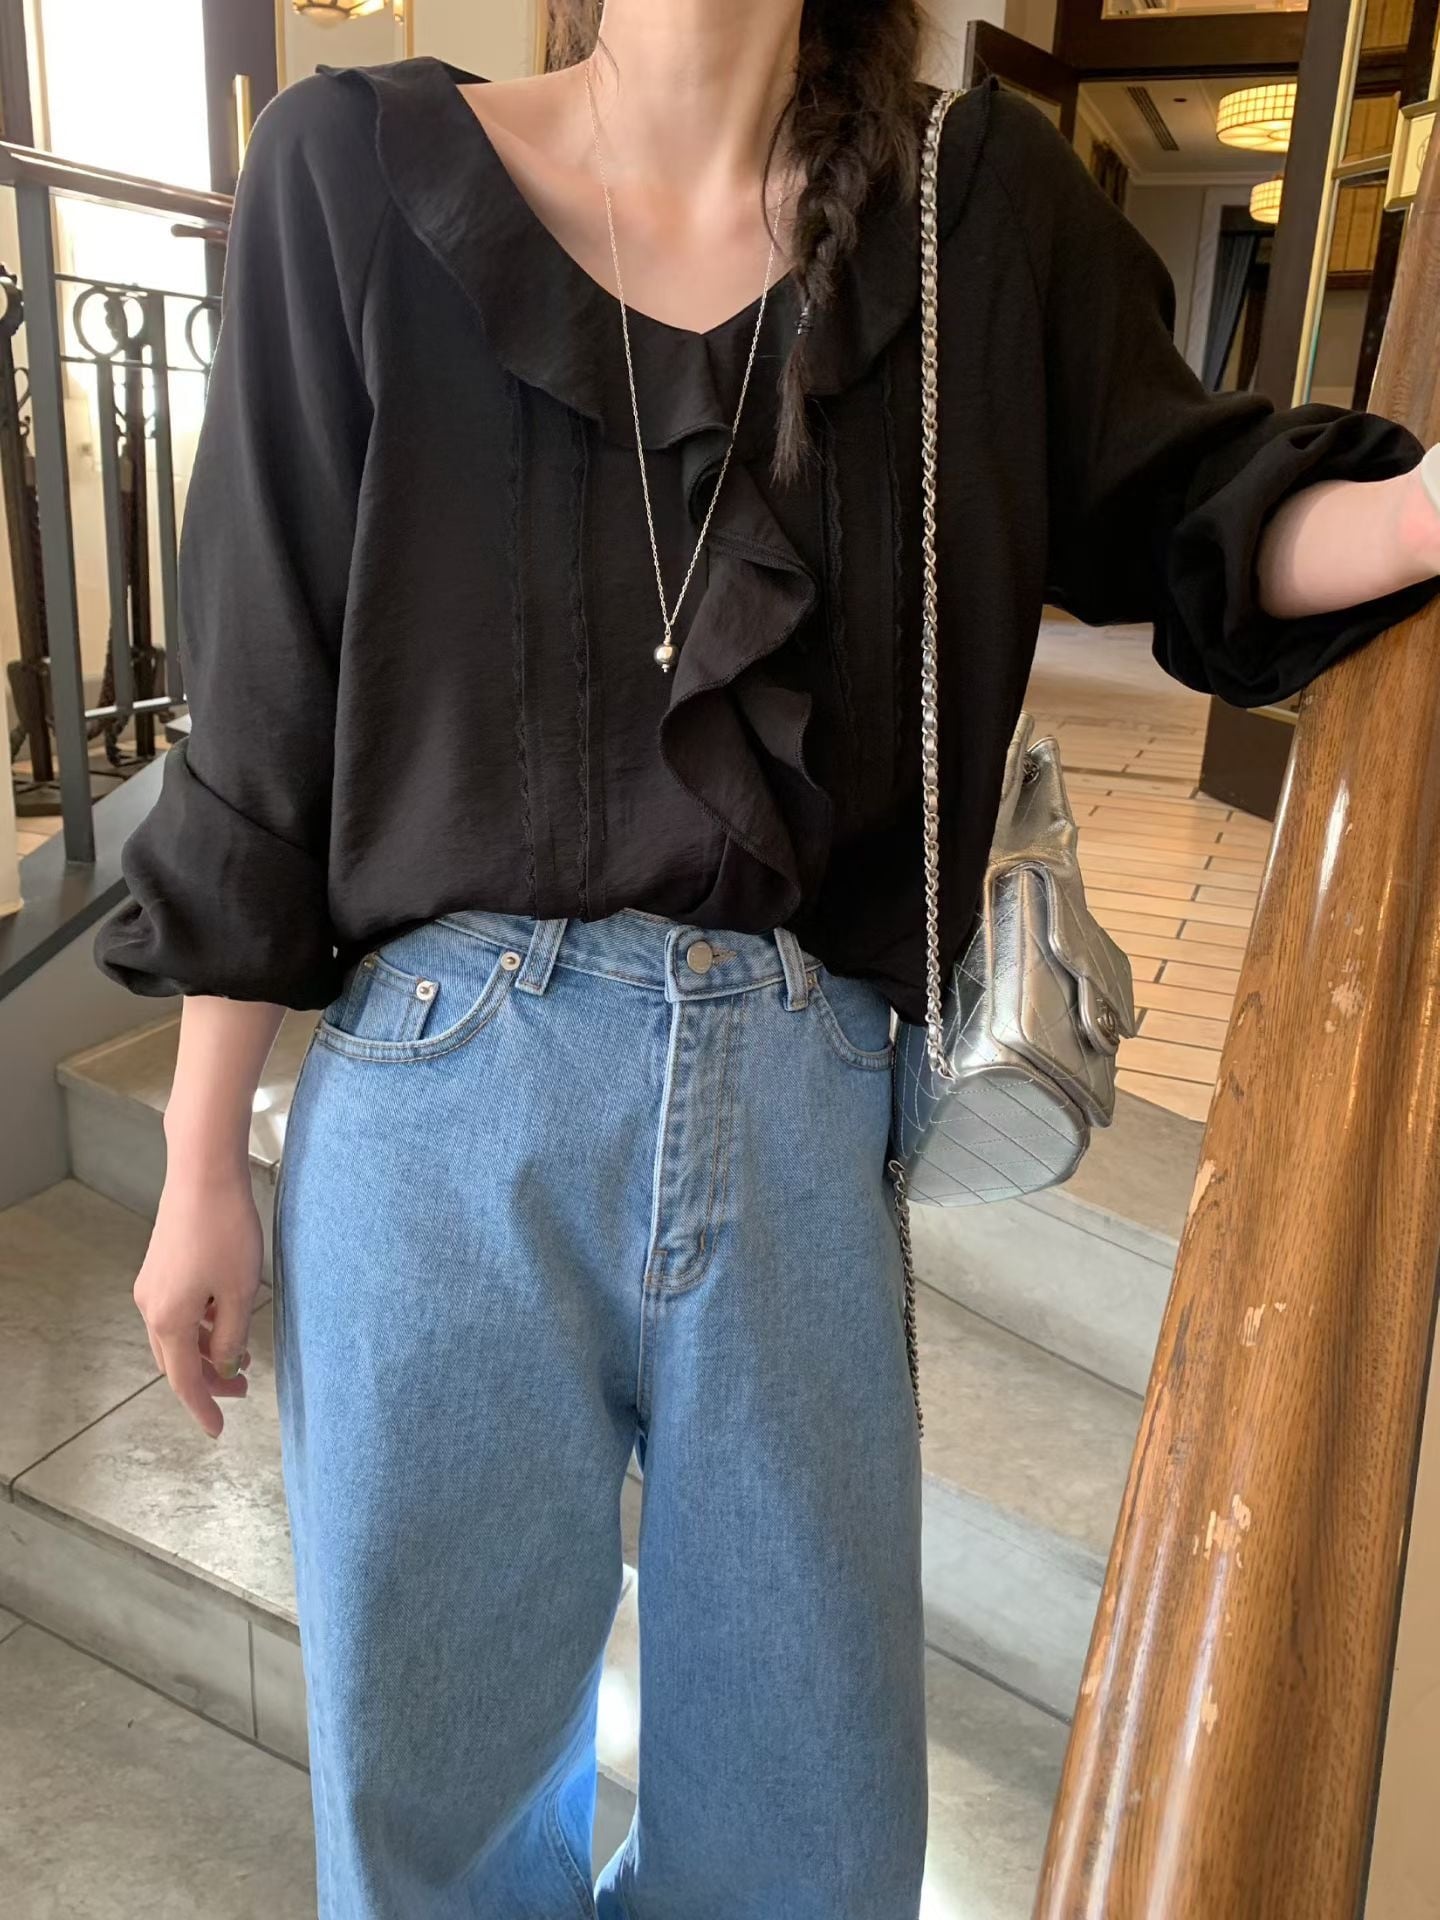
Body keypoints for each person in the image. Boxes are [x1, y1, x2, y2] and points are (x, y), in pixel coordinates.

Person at [94, 3, 1440, 1915]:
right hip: (437, 1119)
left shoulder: (976, 214)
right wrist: (199, 1158)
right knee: (428, 1851)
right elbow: (260, 706)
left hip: (803, 1114)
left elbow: (1196, 514)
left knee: (808, 1859)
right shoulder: (354, 177)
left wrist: (1422, 510)